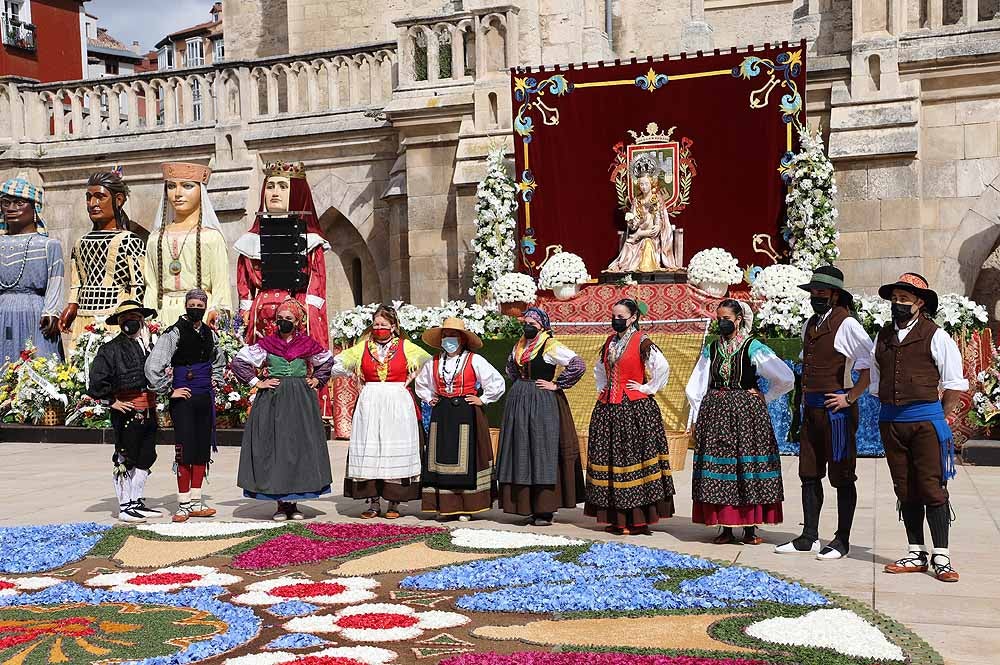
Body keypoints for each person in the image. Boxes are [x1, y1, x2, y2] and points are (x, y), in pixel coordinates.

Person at [871, 273, 968, 583]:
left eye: (904, 299)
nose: (897, 304)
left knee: (932, 486)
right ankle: (916, 552)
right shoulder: (882, 337)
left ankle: (942, 555)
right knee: (905, 487)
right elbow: (876, 380)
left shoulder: (936, 336)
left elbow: (953, 383)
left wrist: (942, 416)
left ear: (920, 303)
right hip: (891, 423)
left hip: (926, 422)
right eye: (895, 299)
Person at [775, 266, 873, 560]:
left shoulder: (848, 325)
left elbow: (869, 363)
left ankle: (842, 540)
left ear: (835, 295)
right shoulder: (810, 325)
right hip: (812, 411)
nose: (816, 296)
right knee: (808, 473)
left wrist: (852, 396)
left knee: (842, 476)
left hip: (837, 414)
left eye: (822, 292)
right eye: (813, 292)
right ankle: (809, 536)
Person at [686, 299, 794, 545]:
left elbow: (785, 378)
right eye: (719, 318)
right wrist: (696, 414)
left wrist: (765, 397)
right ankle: (725, 526)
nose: (721, 322)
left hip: (747, 415)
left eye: (726, 318)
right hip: (715, 413)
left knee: (747, 466)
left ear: (738, 320)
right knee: (721, 467)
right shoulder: (712, 349)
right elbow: (697, 384)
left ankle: (750, 528)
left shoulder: (752, 347)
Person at [231, 298, 335, 520]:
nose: (283, 322)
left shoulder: (306, 344)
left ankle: (294, 504)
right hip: (273, 399)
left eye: (288, 318)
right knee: (276, 448)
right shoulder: (267, 344)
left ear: (297, 321)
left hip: (300, 399)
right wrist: (257, 382)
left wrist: (317, 380)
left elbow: (326, 361)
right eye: (280, 319)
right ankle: (280, 505)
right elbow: (239, 362)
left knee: (297, 448)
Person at [585, 298, 674, 535]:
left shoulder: (642, 341)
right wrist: (603, 388)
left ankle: (637, 518)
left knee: (633, 461)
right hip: (609, 409)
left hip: (634, 410)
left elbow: (662, 367)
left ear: (633, 317)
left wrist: (646, 388)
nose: (616, 319)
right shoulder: (609, 342)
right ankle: (617, 517)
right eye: (614, 315)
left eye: (621, 315)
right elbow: (599, 368)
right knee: (612, 461)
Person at [332, 304, 431, 519]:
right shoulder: (363, 347)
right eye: (376, 324)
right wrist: (352, 373)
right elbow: (339, 362)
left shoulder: (406, 346)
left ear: (394, 326)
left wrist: (411, 378)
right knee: (372, 447)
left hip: (397, 400)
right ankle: (374, 502)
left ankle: (393, 502)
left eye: (383, 324)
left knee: (392, 448)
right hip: (371, 400)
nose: (379, 328)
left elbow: (428, 362)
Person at [496, 307, 586, 526]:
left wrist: (556, 384)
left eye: (532, 323)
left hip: (542, 401)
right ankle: (525, 505)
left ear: (542, 326)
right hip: (520, 400)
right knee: (522, 450)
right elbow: (511, 370)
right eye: (525, 322)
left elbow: (578, 364)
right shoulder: (519, 345)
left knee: (541, 449)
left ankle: (544, 509)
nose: (527, 326)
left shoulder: (549, 345)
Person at [145, 288, 226, 523]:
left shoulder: (211, 334)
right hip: (184, 399)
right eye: (192, 305)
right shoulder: (174, 333)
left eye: (201, 306)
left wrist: (216, 380)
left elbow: (219, 361)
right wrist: (169, 390)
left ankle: (197, 501)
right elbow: (154, 366)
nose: (196, 309)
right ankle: (182, 504)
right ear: (185, 305)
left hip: (204, 395)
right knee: (185, 449)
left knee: (201, 449)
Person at [415, 317, 506, 521]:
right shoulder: (434, 361)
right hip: (442, 412)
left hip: (467, 412)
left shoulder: (475, 360)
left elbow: (497, 382)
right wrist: (430, 398)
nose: (449, 339)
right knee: (442, 458)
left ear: (462, 339)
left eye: (453, 336)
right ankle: (445, 505)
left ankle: (467, 506)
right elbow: (421, 384)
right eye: (446, 336)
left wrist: (482, 399)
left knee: (467, 459)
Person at [235, 161, 330, 346]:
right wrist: (245, 312)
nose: (275, 192)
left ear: (296, 193)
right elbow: (244, 284)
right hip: (259, 316)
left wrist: (301, 313)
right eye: (270, 186)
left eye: (283, 186)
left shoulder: (310, 242)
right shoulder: (250, 241)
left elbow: (315, 286)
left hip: (296, 314)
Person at [87, 300, 160, 524]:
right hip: (127, 411)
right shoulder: (109, 349)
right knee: (125, 457)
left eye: (136, 317)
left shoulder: (147, 346)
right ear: (119, 322)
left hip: (148, 409)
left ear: (142, 320)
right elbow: (97, 379)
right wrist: (111, 401)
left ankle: (136, 501)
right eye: (126, 318)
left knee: (146, 456)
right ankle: (125, 506)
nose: (132, 322)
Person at [59, 171, 146, 346]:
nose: (92, 204)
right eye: (89, 198)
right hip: (84, 317)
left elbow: (139, 284)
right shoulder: (80, 242)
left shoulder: (130, 241)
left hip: (116, 318)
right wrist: (72, 305)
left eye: (100, 197)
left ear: (118, 200)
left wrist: (132, 317)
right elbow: (77, 282)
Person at [144, 162, 231, 327]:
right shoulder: (156, 238)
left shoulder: (211, 237)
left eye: (187, 186)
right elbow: (151, 287)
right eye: (171, 186)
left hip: (200, 314)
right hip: (163, 316)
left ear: (201, 191)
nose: (177, 193)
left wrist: (216, 311)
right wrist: (149, 320)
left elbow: (221, 286)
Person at [0, 177, 64, 363]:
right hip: (2, 311)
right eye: (5, 202)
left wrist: (51, 311)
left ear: (34, 207)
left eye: (19, 202)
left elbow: (56, 281)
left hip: (36, 314)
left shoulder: (49, 245)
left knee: (40, 366)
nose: (11, 208)